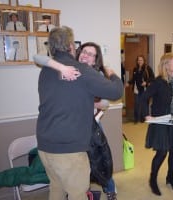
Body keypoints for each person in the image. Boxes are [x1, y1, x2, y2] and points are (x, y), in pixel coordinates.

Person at [36, 26, 123, 200]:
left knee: (57, 188)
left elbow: (39, 57)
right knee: (78, 194)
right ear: (72, 46)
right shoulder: (83, 72)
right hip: (68, 149)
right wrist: (113, 75)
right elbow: (116, 92)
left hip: (45, 145)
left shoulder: (47, 70)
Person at [140, 53, 173, 196]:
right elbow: (143, 98)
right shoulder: (158, 82)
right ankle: (152, 180)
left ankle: (170, 178)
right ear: (167, 65)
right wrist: (145, 114)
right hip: (160, 120)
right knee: (162, 152)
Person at [126, 55, 155, 123]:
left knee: (144, 105)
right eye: (138, 60)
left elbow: (152, 77)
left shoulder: (147, 68)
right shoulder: (135, 69)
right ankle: (136, 119)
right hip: (136, 89)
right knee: (136, 104)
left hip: (144, 89)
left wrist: (146, 82)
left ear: (144, 61)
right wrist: (128, 83)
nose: (139, 61)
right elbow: (134, 79)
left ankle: (144, 119)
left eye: (141, 60)